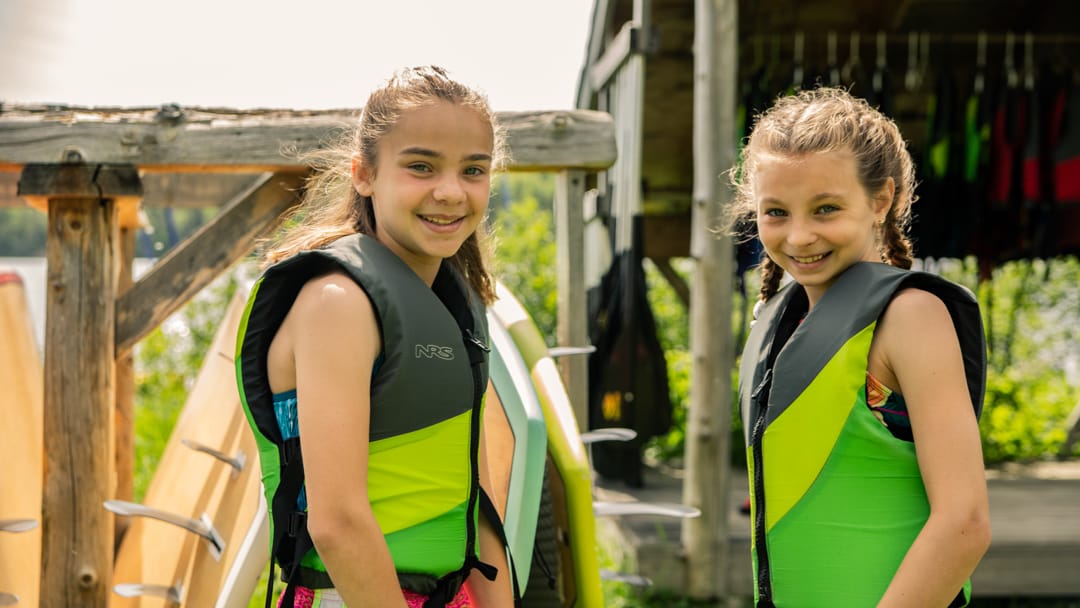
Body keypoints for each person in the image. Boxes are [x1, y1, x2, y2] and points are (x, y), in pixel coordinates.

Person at [235, 66, 515, 608]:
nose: (451, 192)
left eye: (473, 170)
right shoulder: (337, 304)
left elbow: (472, 502)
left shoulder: (452, 308)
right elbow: (337, 522)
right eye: (420, 166)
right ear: (365, 174)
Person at [730, 87, 992, 607]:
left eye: (826, 209)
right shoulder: (778, 323)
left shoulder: (910, 316)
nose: (800, 236)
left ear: (881, 200)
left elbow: (965, 523)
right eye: (776, 212)